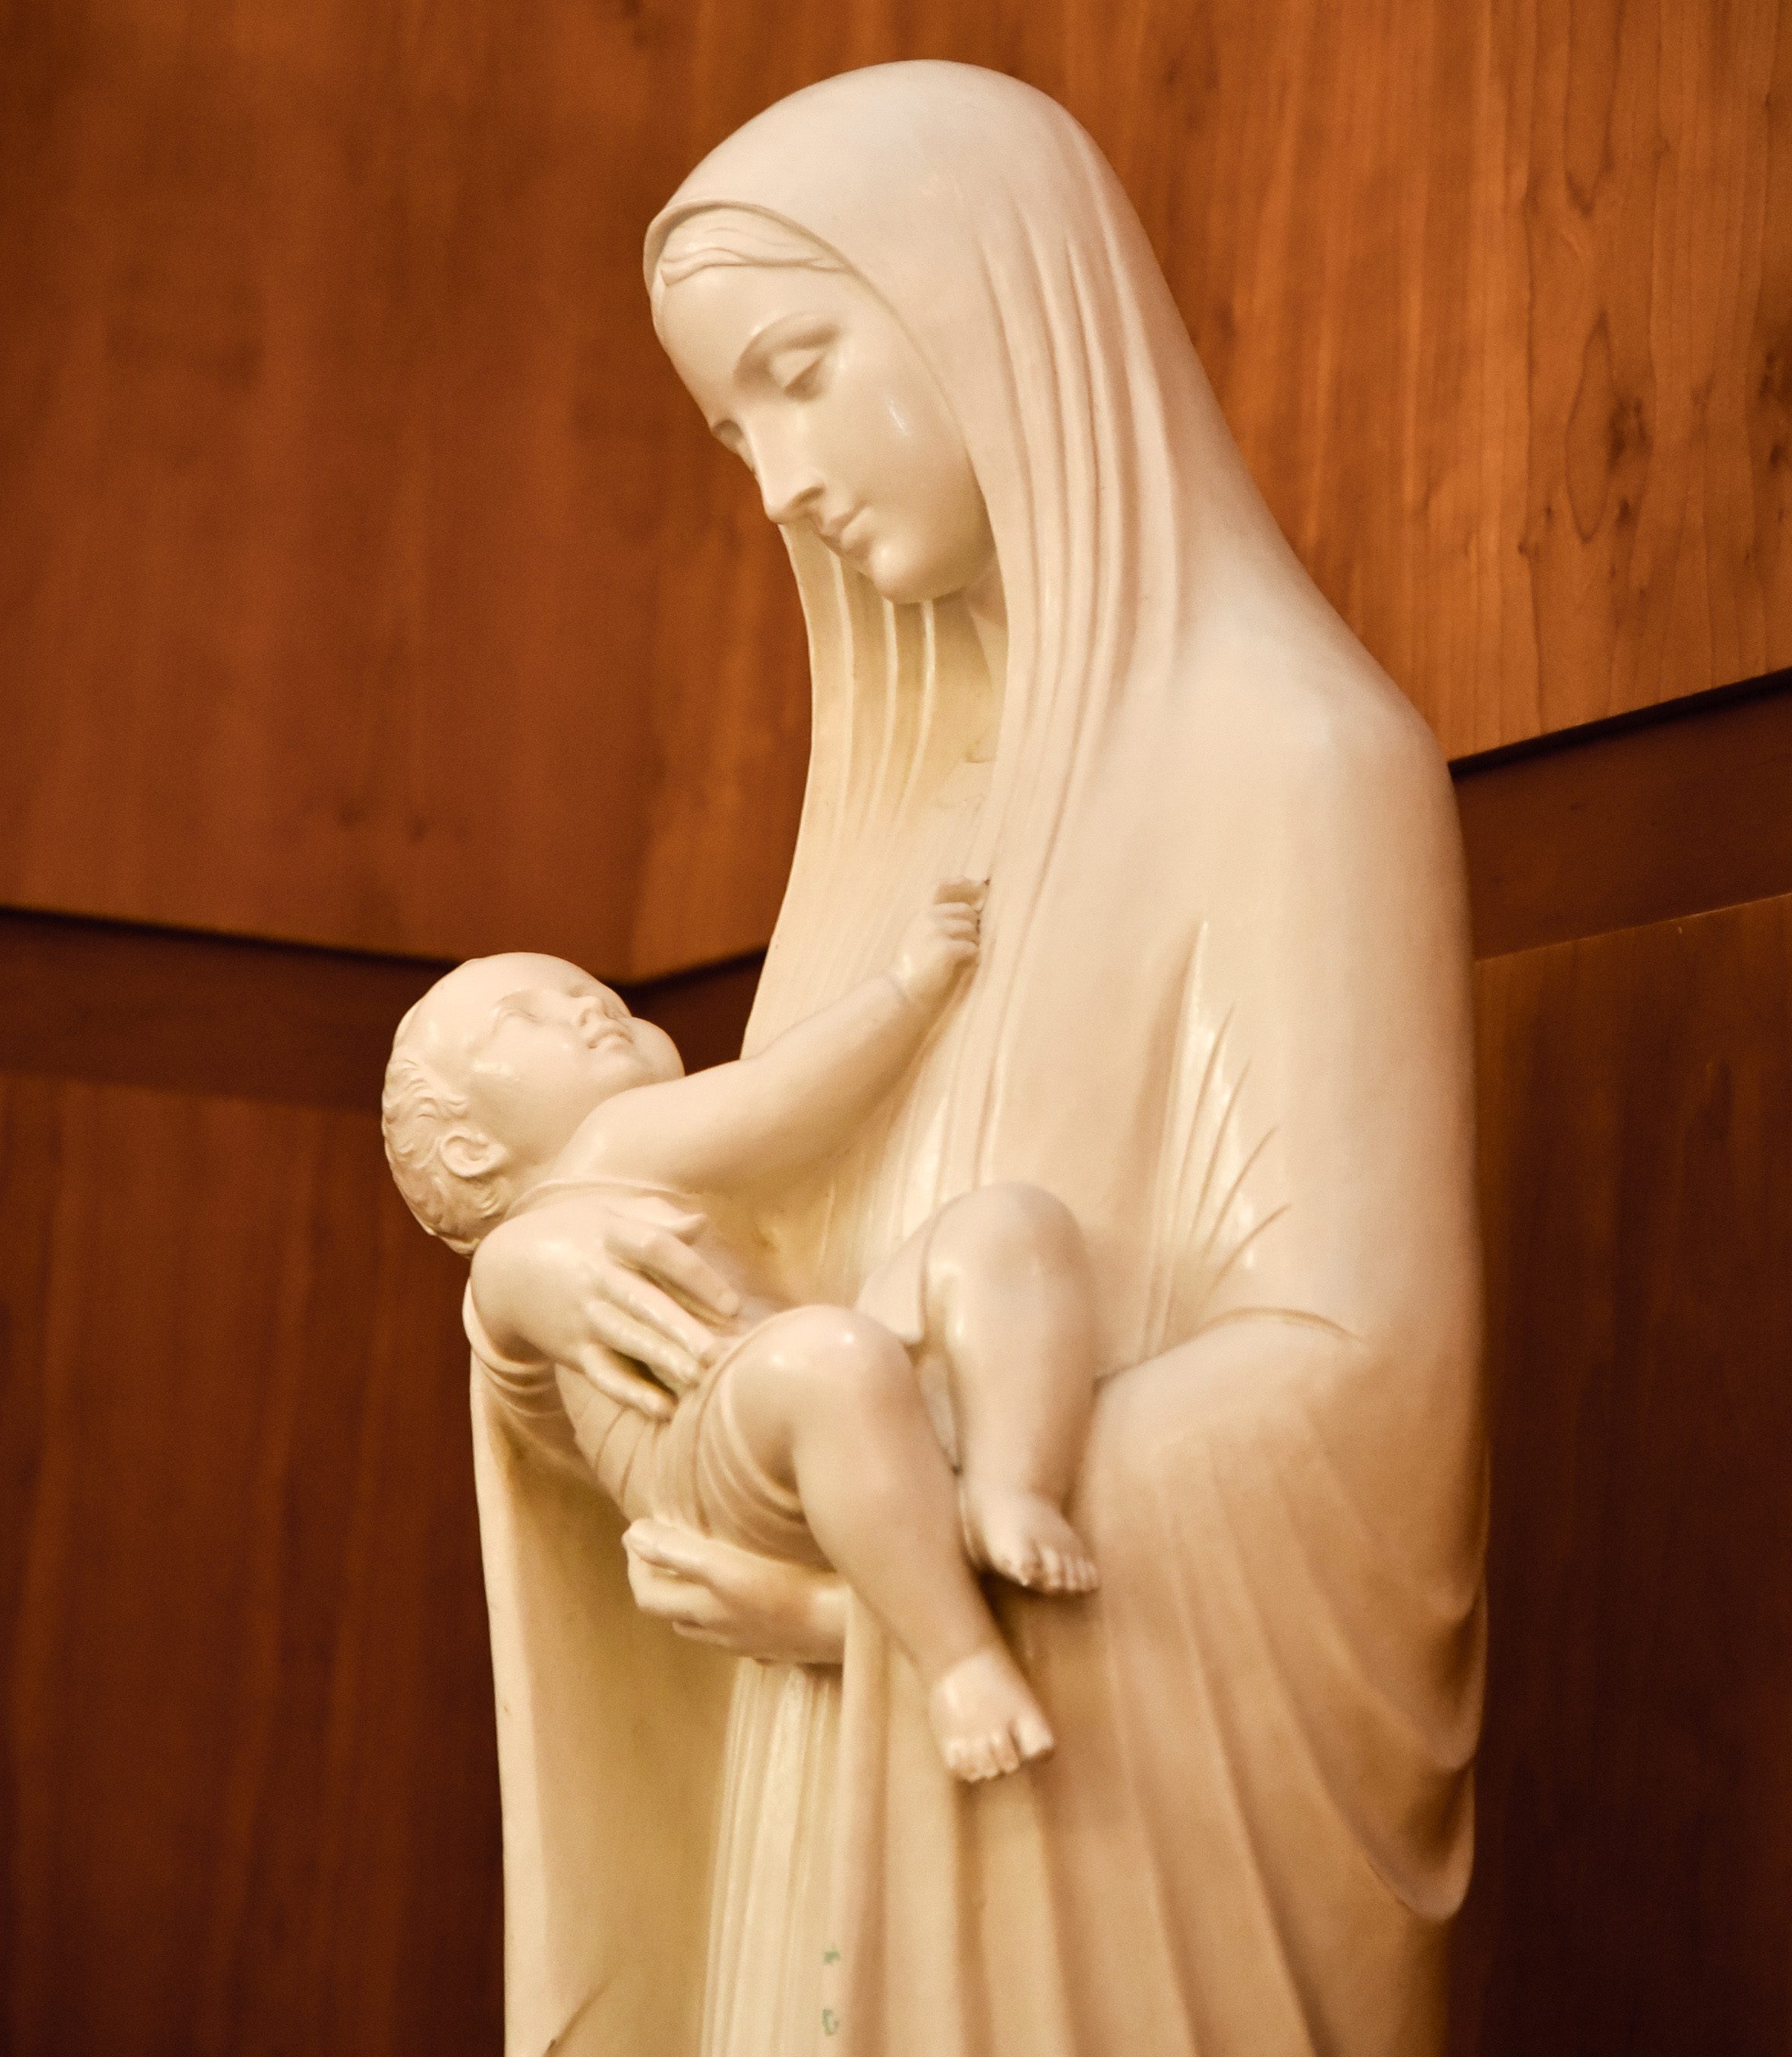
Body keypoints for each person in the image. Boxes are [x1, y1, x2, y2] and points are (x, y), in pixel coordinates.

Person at [466, 63, 1487, 2057]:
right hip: (822, 1790)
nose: (779, 485)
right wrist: (531, 1300)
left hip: (1027, 1802)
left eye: (801, 372)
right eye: (731, 429)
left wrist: (888, 1604)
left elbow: (1358, 1397)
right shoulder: (887, 837)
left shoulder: (1297, 768)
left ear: (1000, 312)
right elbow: (737, 1341)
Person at [382, 885, 1099, 1782]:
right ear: (470, 1152)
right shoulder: (606, 1148)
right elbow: (782, 1098)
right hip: (716, 1449)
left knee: (1003, 1230)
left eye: (592, 993)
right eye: (524, 1019)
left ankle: (1009, 1487)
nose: (586, 1007)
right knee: (835, 1356)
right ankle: (961, 1661)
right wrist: (908, 989)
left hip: (798, 1409)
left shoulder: (635, 1184)